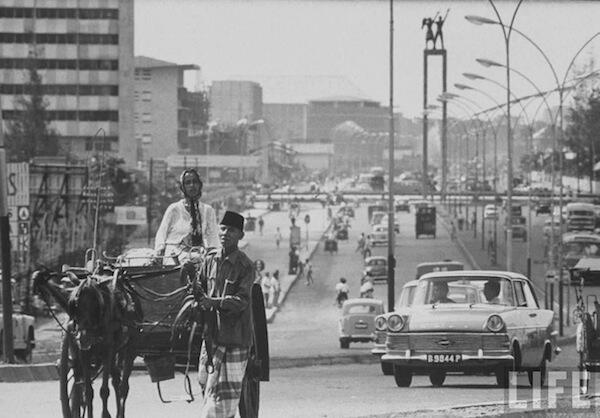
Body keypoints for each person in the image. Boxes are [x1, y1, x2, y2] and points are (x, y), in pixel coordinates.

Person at [194, 211, 254, 418]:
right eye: (223, 228)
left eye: (232, 230)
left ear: (240, 235)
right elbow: (199, 288)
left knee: (224, 399)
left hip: (235, 338)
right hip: (211, 338)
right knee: (206, 385)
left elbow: (242, 301)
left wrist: (214, 302)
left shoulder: (246, 266)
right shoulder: (209, 260)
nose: (225, 233)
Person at [154, 169, 219, 264]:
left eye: (195, 182)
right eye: (188, 183)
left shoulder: (207, 210)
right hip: (174, 254)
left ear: (200, 185)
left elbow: (213, 236)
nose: (192, 186)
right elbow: (162, 233)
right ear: (182, 187)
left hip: (198, 254)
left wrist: (213, 253)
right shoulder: (174, 209)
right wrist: (159, 250)